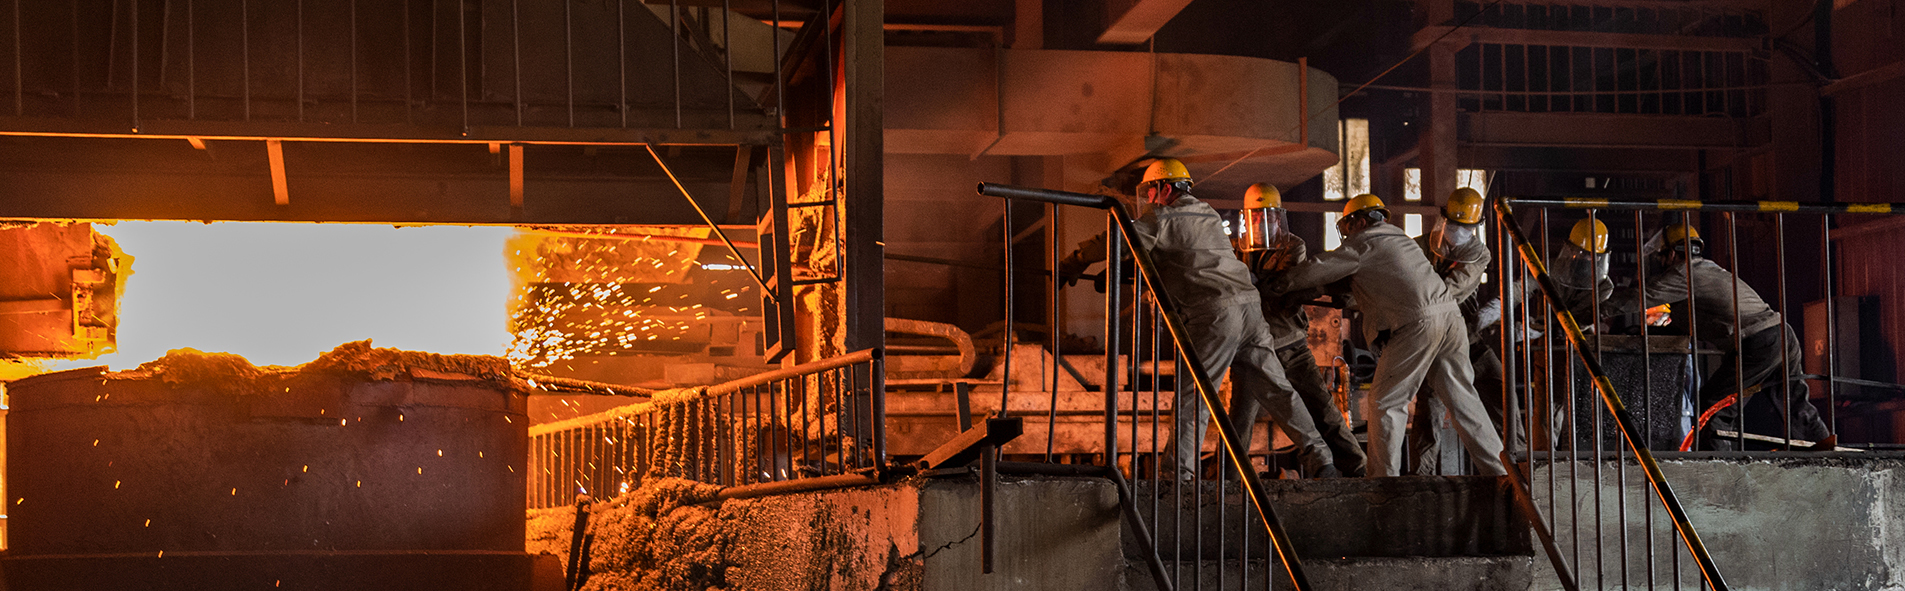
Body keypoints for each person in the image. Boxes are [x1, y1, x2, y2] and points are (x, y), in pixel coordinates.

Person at [1057, 159, 1336, 479]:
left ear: (1164, 188)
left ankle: (1178, 476)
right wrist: (1120, 270)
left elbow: (1119, 239)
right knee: (1278, 391)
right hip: (1250, 311)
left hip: (1215, 316)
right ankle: (1321, 459)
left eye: (1151, 192)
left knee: (1195, 396)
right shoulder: (1208, 213)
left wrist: (1074, 262)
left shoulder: (1162, 217)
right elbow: (1187, 257)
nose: (1150, 199)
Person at [1269, 194, 1507, 477]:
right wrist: (1332, 293)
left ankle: (1382, 482)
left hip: (1417, 324)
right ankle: (1503, 475)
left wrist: (1279, 284)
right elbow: (1378, 282)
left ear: (1358, 222)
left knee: (1386, 403)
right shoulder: (1402, 240)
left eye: (1347, 227)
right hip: (1450, 321)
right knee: (1464, 403)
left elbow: (1319, 268)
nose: (1347, 234)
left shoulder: (1364, 242)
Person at [1600, 224, 1834, 451]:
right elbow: (1685, 323)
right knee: (1795, 404)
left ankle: (1718, 463)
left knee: (1713, 407)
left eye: (1661, 257)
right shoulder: (1706, 272)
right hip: (1782, 335)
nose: (1660, 263)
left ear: (1671, 254)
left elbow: (1639, 297)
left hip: (1758, 342)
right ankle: (1827, 451)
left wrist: (1593, 308)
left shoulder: (1684, 274)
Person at [1229, 183, 1368, 477]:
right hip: (1252, 348)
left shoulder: (1292, 246)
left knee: (1322, 410)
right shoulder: (1235, 247)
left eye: (1268, 216)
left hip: (1289, 344)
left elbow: (1284, 284)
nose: (1261, 222)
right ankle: (1229, 480)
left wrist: (1248, 283)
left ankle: (1358, 471)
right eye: (1256, 216)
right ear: (1246, 218)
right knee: (1239, 419)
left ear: (1278, 217)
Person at [1405, 187, 1509, 474]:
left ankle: (1519, 465)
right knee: (1430, 408)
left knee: (1501, 393)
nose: (1459, 231)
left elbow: (1450, 292)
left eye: (1466, 227)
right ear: (1444, 219)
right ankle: (1421, 477)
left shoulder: (1478, 254)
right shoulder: (1418, 246)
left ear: (1475, 227)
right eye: (1454, 224)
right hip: (1432, 340)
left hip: (1467, 337)